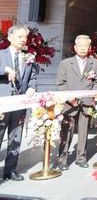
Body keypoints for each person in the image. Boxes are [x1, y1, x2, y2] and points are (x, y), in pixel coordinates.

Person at [56, 35, 97, 170]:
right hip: (70, 104)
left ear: (89, 48)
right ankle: (62, 159)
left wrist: (92, 96)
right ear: (75, 47)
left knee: (84, 132)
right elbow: (60, 84)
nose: (83, 48)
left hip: (87, 103)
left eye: (85, 46)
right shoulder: (65, 63)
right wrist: (70, 97)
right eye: (80, 46)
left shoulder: (95, 63)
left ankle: (81, 158)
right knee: (66, 132)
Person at [0, 25, 38, 181]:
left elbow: (34, 77)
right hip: (3, 103)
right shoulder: (1, 55)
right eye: (20, 37)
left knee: (15, 137)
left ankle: (10, 170)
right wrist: (5, 69)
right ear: (10, 37)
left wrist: (31, 88)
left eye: (25, 37)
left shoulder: (29, 57)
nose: (23, 40)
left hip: (20, 103)